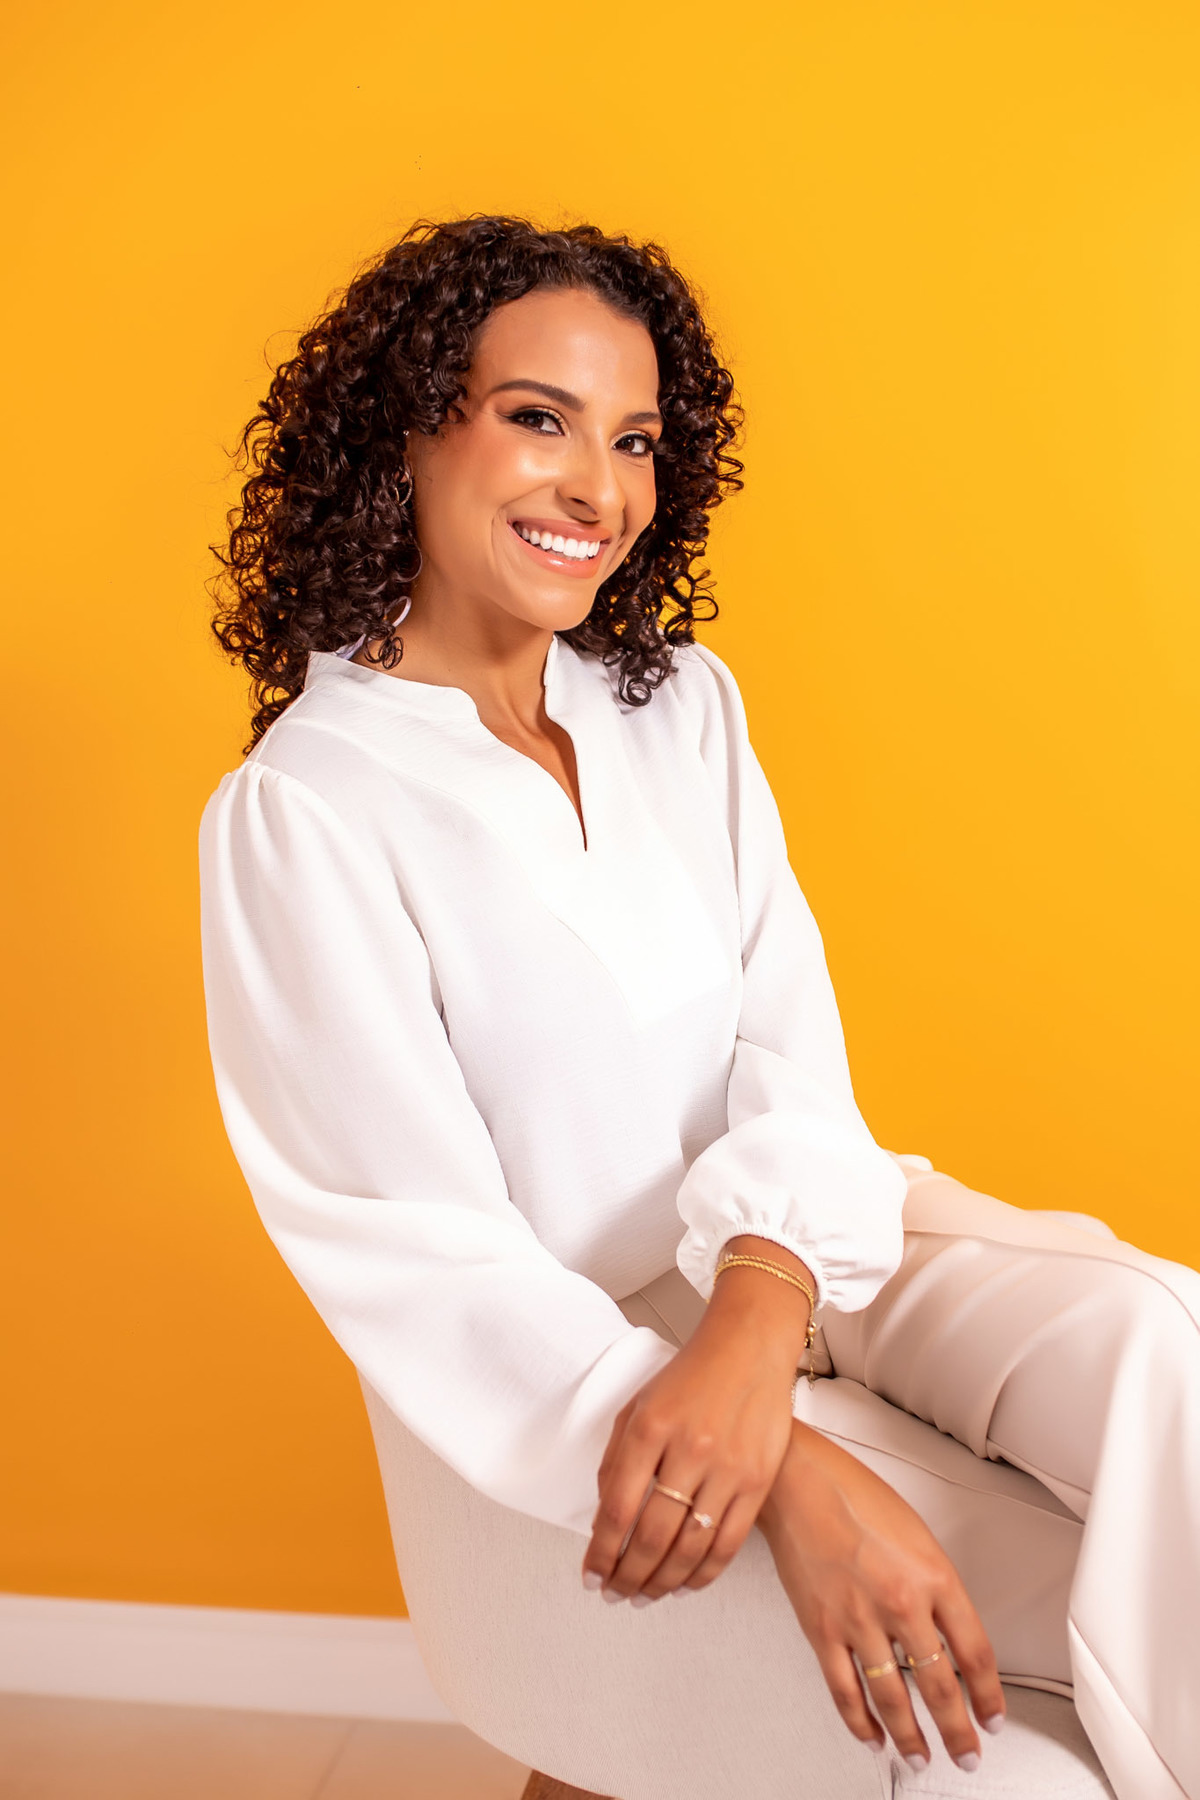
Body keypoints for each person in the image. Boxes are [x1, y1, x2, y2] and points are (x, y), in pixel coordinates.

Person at [198, 214, 1199, 1800]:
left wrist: (759, 1308)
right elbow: (415, 1248)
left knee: (1163, 1348)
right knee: (1072, 1641)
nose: (598, 489)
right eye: (540, 418)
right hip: (591, 1382)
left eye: (636, 441)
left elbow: (790, 1051)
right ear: (407, 430)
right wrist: (772, 1457)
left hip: (809, 1258)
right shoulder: (307, 810)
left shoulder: (678, 707)